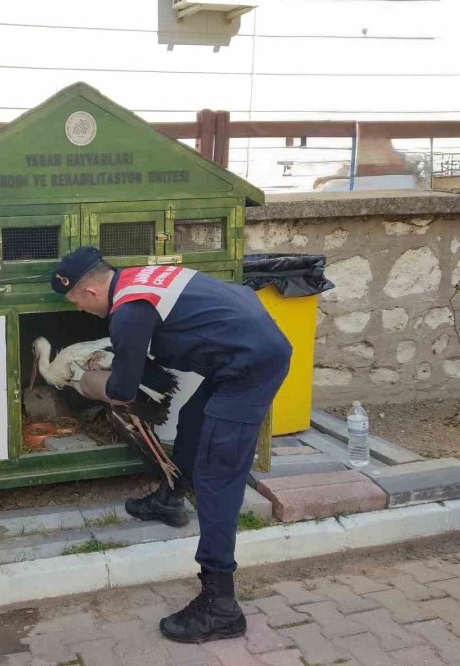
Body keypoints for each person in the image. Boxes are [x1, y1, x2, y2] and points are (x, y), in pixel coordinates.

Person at [51, 246, 292, 644]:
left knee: (218, 476)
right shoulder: (134, 279)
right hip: (240, 350)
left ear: (91, 292)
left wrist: (83, 382)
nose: (78, 310)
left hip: (251, 366)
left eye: (76, 301)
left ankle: (221, 605)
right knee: (193, 423)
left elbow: (122, 391)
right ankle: (170, 497)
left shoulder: (127, 313)